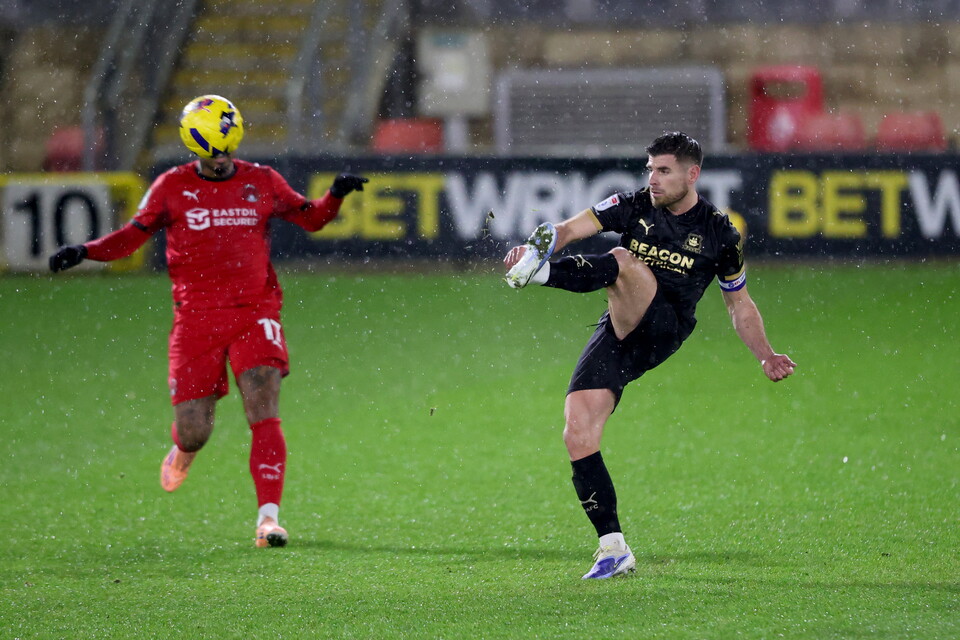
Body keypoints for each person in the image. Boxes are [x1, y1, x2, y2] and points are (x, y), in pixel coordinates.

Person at [49, 94, 368, 548]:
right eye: (211, 154)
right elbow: (130, 239)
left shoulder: (262, 181)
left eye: (226, 153)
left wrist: (334, 194)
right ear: (194, 148)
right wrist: (86, 250)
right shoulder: (170, 188)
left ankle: (268, 520)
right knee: (197, 430)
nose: (220, 163)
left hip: (255, 312)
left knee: (263, 401)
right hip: (196, 320)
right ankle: (183, 451)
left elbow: (312, 220)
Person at [503, 131, 796, 579]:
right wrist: (536, 247)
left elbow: (738, 302)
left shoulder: (719, 232)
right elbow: (566, 229)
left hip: (665, 327)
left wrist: (765, 354)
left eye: (664, 171)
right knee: (577, 432)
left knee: (621, 258)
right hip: (620, 329)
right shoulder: (633, 204)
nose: (653, 179)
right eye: (650, 169)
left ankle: (542, 278)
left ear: (691, 174)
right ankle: (613, 548)